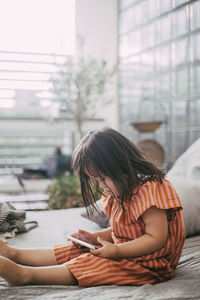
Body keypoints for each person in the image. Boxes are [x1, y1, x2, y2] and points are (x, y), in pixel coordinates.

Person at [0, 127, 185, 287]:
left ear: (121, 165)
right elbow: (126, 230)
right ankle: (14, 254)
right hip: (129, 252)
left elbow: (155, 238)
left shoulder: (151, 189)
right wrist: (94, 237)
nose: (101, 185)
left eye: (103, 178)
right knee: (78, 249)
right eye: (96, 180)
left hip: (151, 264)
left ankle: (24, 275)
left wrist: (117, 251)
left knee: (94, 263)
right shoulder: (119, 191)